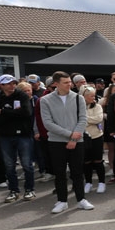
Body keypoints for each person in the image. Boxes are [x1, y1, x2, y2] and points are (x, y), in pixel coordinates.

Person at [39, 71, 94, 214]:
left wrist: (74, 139)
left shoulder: (78, 98)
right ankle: (62, 201)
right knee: (60, 173)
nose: (69, 85)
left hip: (77, 141)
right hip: (56, 142)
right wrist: (70, 135)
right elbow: (48, 123)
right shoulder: (45, 100)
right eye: (65, 82)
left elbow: (83, 119)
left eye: (70, 82)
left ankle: (81, 199)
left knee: (77, 172)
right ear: (56, 84)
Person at [0, 74, 35, 203]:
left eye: (13, 83)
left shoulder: (22, 96)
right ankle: (14, 190)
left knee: (27, 164)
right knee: (9, 165)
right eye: (8, 83)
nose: (12, 86)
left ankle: (29, 189)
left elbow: (26, 113)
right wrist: (14, 114)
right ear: (1, 85)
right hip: (5, 136)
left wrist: (3, 112)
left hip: (23, 135)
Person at [81, 86, 106, 194]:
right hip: (83, 137)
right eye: (91, 96)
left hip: (96, 136)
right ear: (84, 97)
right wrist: (87, 120)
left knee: (98, 160)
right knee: (86, 161)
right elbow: (77, 119)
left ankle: (101, 182)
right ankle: (88, 182)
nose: (93, 98)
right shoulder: (79, 107)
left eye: (94, 95)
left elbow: (98, 119)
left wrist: (84, 119)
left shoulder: (98, 106)